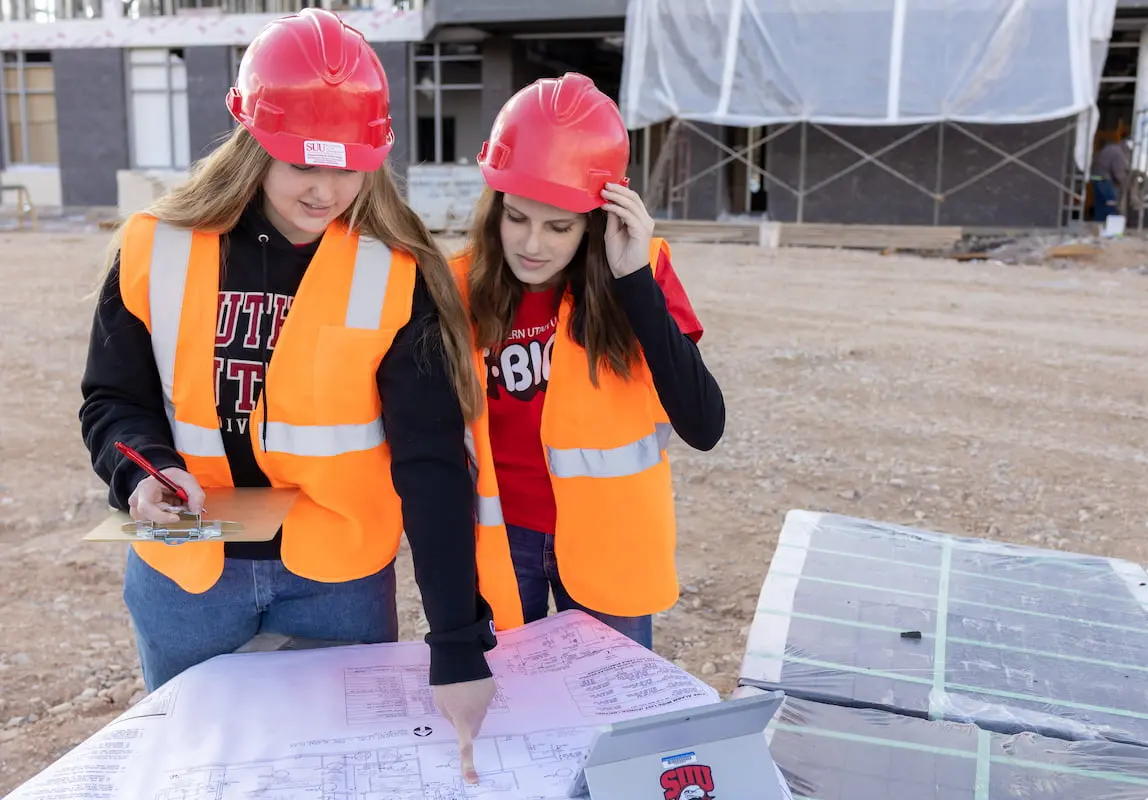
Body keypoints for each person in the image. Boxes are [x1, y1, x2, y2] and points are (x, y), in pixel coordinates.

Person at [79, 9, 493, 782]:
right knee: (199, 776)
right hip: (188, 577)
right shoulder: (154, 247)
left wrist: (458, 642)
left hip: (337, 576)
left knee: (336, 774)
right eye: (304, 161)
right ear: (253, 139)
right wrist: (142, 475)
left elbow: (432, 465)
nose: (327, 187)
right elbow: (112, 402)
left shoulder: (396, 275)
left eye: (348, 165)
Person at [452, 72, 726, 649]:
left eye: (559, 227)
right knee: (513, 718)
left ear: (597, 219)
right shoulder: (460, 285)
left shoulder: (641, 278)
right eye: (517, 217)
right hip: (505, 540)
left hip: (610, 544)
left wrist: (634, 284)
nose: (532, 245)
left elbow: (705, 426)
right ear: (495, 205)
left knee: (611, 719)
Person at [1090, 135, 1132, 223]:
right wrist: (1128, 186)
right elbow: (1118, 174)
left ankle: (1098, 226)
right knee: (1112, 205)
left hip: (1095, 178)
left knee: (1100, 205)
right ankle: (1111, 229)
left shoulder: (1111, 148)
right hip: (1105, 180)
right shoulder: (1119, 154)